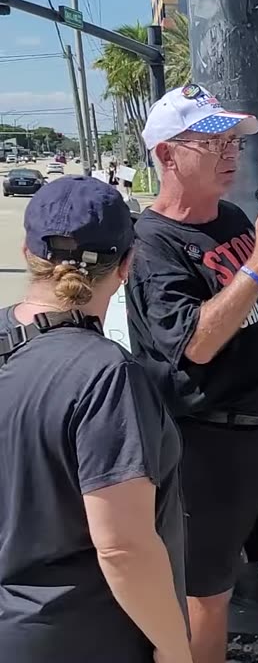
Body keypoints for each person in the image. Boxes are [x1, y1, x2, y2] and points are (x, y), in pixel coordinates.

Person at [125, 84, 258, 663]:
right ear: (167, 155)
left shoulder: (235, 218)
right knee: (207, 594)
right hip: (211, 444)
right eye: (212, 141)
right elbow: (194, 343)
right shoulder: (151, 245)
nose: (230, 153)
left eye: (233, 141)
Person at [0, 177, 189, 663]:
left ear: (26, 250)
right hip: (80, 635)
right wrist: (174, 648)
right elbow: (123, 547)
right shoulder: (106, 375)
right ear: (126, 266)